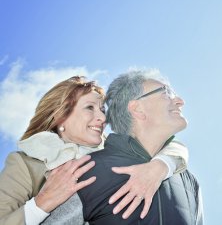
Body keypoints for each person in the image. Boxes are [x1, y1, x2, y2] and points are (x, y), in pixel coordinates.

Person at [0, 76, 189, 225]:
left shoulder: (112, 151)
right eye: (90, 108)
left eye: (102, 110)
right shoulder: (25, 164)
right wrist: (42, 202)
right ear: (60, 117)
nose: (101, 118)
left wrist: (161, 165)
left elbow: (167, 143)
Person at [78, 68, 203, 224]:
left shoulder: (188, 181)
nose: (180, 101)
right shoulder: (87, 170)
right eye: (166, 92)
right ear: (137, 109)